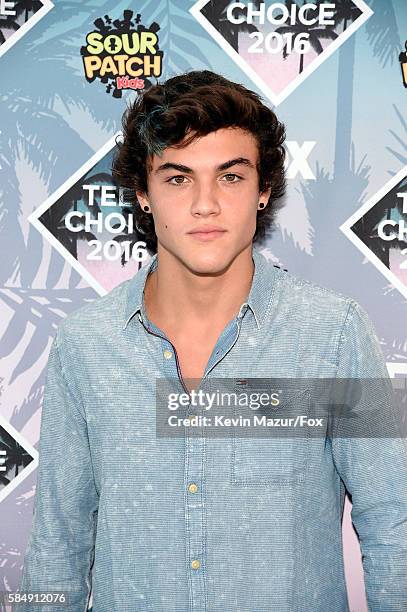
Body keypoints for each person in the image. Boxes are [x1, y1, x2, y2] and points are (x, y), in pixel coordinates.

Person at [20, 70, 407, 612]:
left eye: (230, 177)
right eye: (177, 178)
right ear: (143, 194)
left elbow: (395, 526)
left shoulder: (333, 334)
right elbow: (57, 545)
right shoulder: (85, 345)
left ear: (264, 190)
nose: (205, 204)